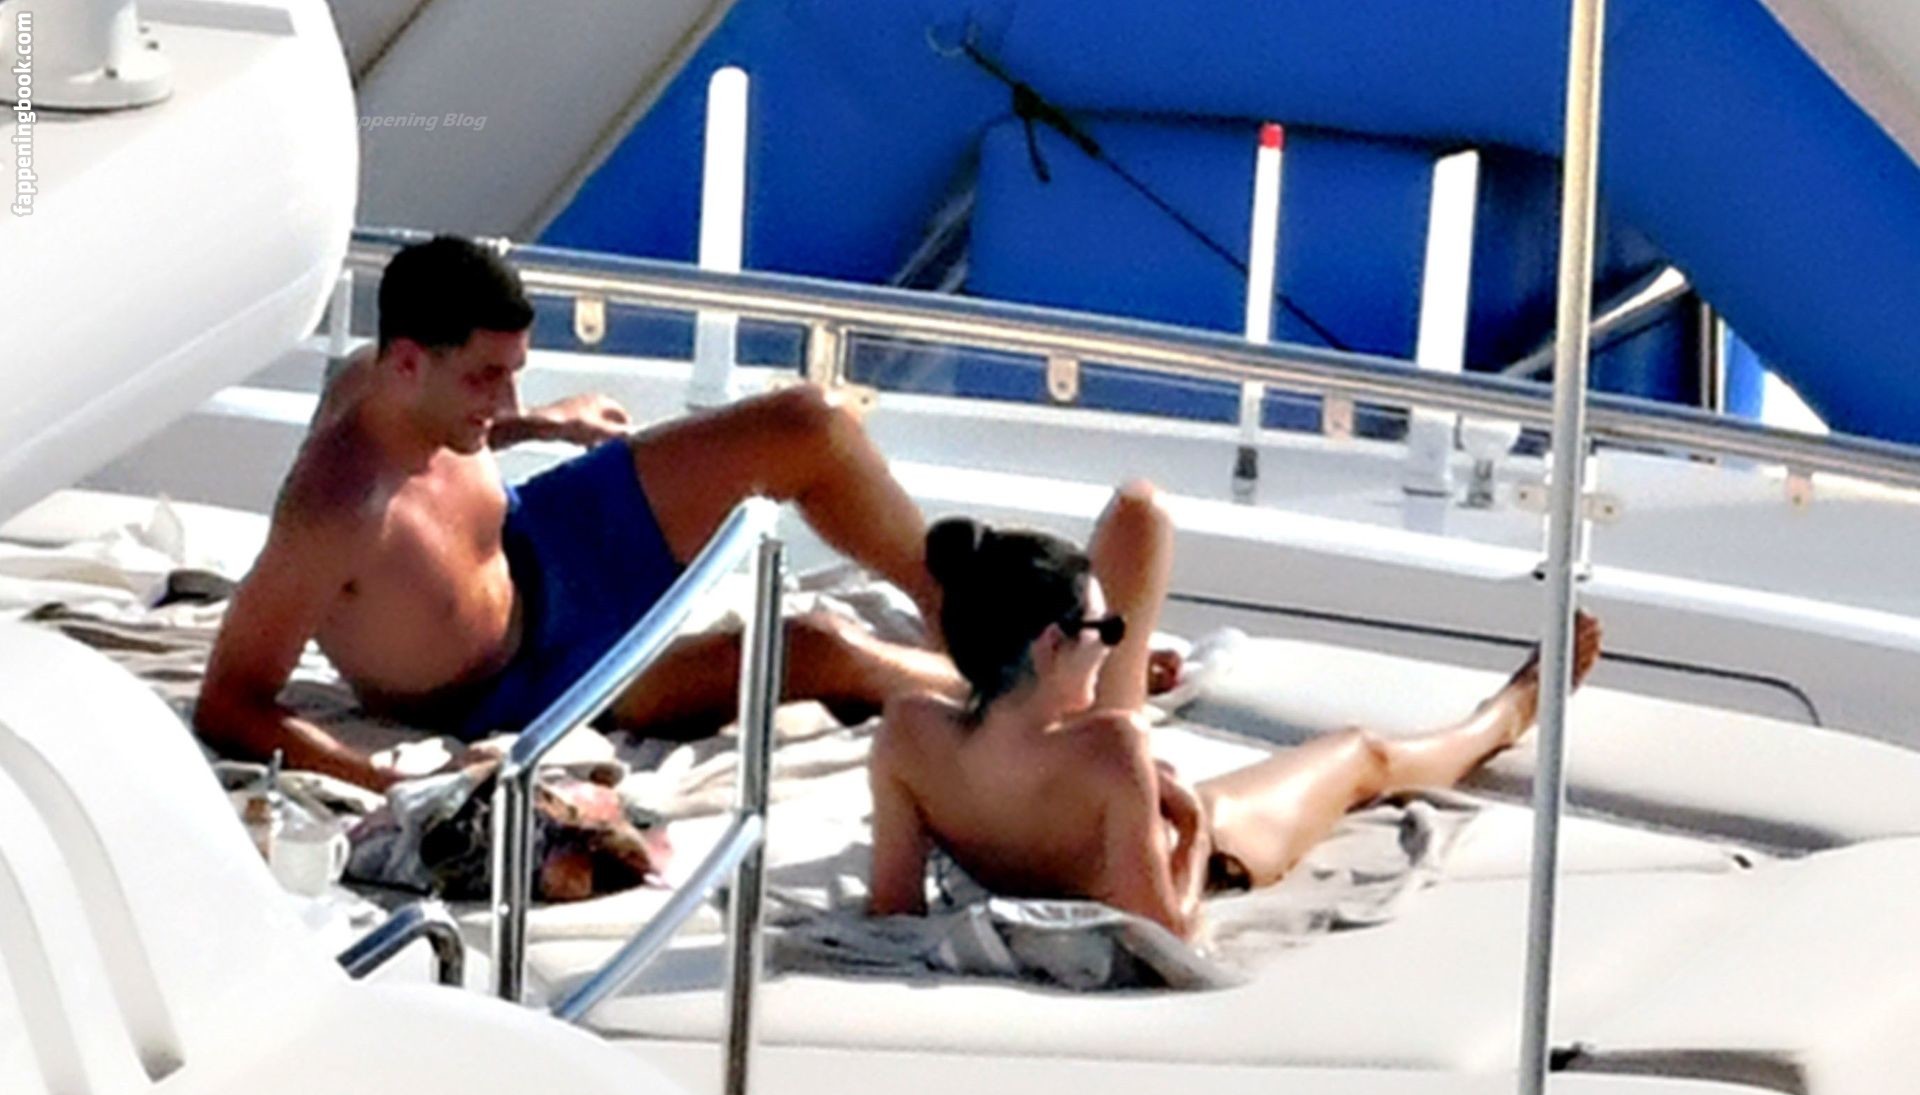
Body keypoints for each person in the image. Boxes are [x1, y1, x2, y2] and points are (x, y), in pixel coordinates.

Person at [196, 234, 959, 792]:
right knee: (819, 645)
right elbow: (229, 703)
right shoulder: (332, 513)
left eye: (515, 374)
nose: (505, 399)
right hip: (530, 685)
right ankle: (992, 694)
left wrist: (544, 424)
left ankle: (961, 617)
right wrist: (392, 784)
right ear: (406, 362)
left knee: (809, 422)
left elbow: (444, 436)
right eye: (486, 379)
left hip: (543, 541)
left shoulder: (393, 382)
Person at [867, 481, 1603, 939]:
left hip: (1046, 834)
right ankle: (1505, 715)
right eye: (1106, 630)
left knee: (1140, 514)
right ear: (1054, 645)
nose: (1113, 643)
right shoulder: (1110, 748)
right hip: (1207, 849)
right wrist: (1189, 830)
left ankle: (1505, 712)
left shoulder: (909, 733)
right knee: (1359, 755)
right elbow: (1168, 932)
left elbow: (893, 910)